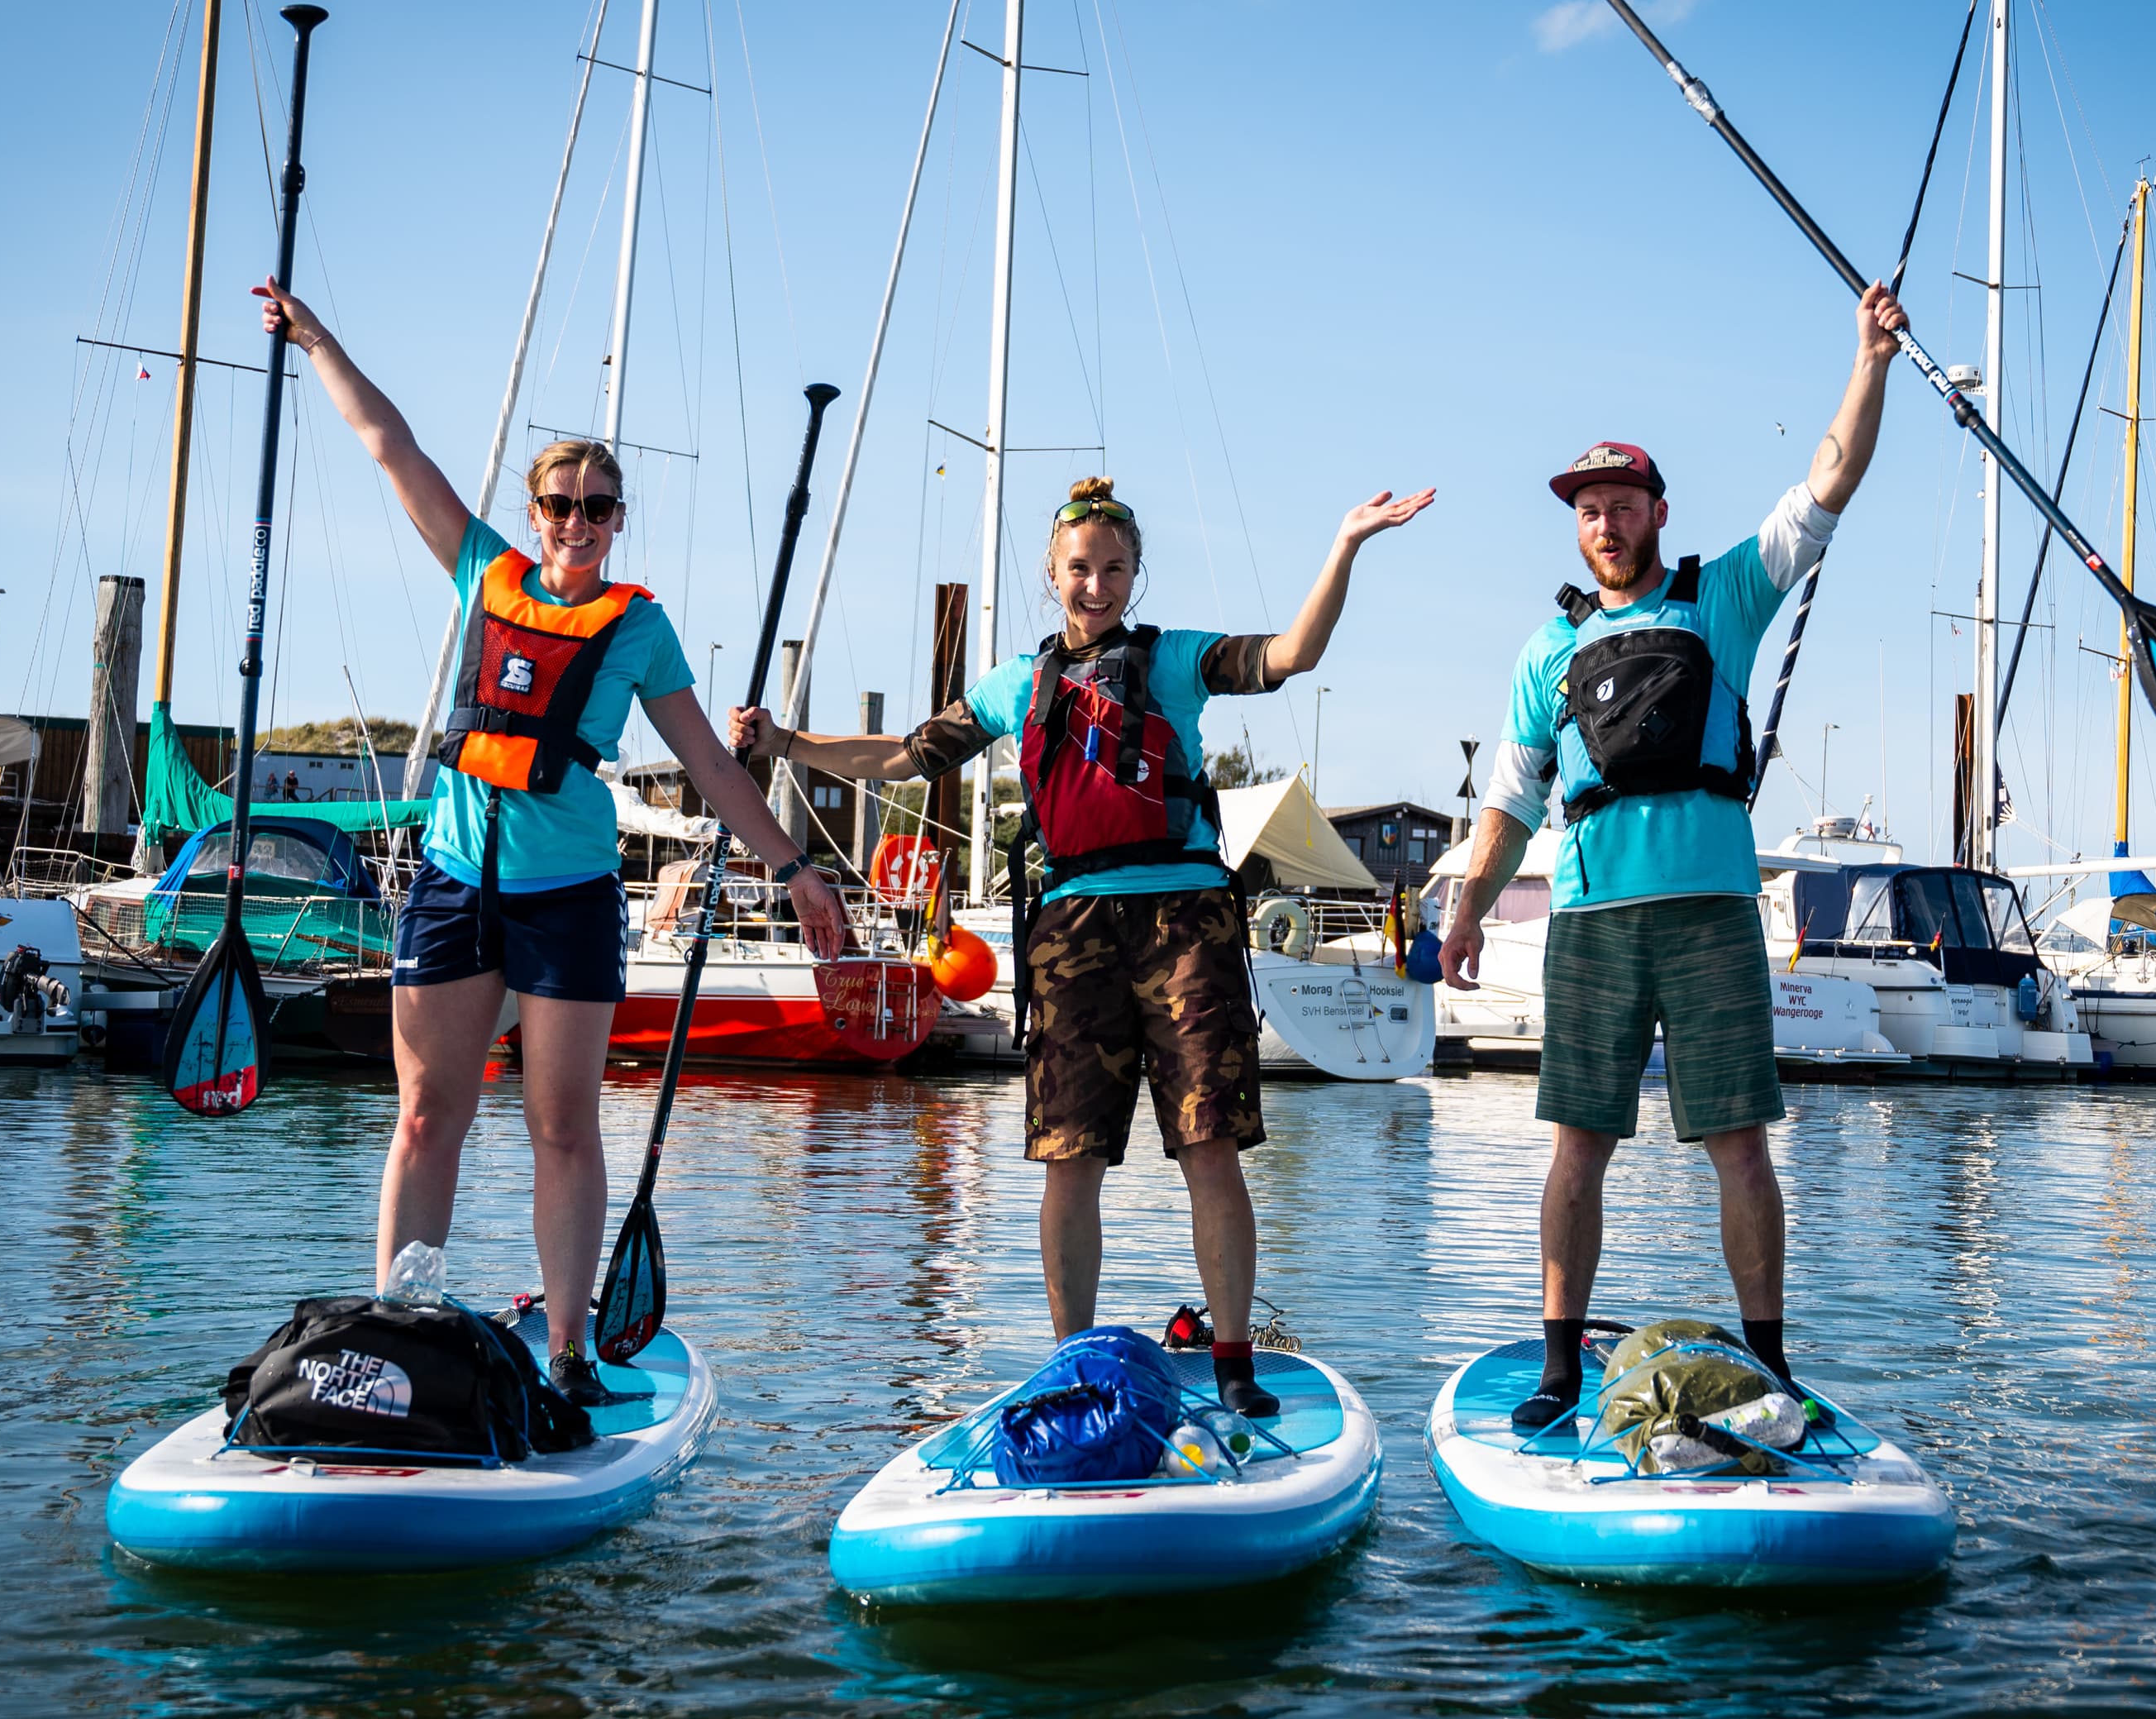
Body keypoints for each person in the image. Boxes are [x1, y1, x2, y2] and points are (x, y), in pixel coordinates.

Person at [255, 277, 847, 1408]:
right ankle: (402, 1330)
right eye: (561, 502)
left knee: (561, 1127)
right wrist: (321, 338)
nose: (578, 522)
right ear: (533, 511)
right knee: (429, 1116)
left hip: (570, 892)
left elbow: (712, 770)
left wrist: (795, 866)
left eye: (599, 506)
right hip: (454, 881)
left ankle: (568, 1353)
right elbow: (392, 446)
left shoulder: (641, 625)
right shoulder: (485, 569)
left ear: (619, 519)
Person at [730, 475, 1430, 1416]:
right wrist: (786, 741)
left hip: (1186, 918)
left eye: (1111, 569)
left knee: (1210, 1145)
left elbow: (1292, 655)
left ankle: (1233, 1361)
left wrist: (1343, 545)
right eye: (1078, 570)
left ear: (1135, 574)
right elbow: (901, 755)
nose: (1094, 585)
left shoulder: (1175, 660)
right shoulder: (1014, 683)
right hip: (1072, 929)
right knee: (1071, 1155)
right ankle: (1073, 1363)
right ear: (1051, 574)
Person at [1443, 280, 1903, 1430]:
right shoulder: (1546, 648)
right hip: (1592, 919)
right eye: (1587, 508)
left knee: (1739, 1148)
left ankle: (1773, 1361)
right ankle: (1559, 1365)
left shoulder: (1725, 596)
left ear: (1656, 509)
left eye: (1622, 503)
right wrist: (1464, 911)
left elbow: (1830, 481)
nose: (1604, 522)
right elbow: (1510, 800)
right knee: (1577, 1149)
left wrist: (1870, 360)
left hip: (1708, 914)